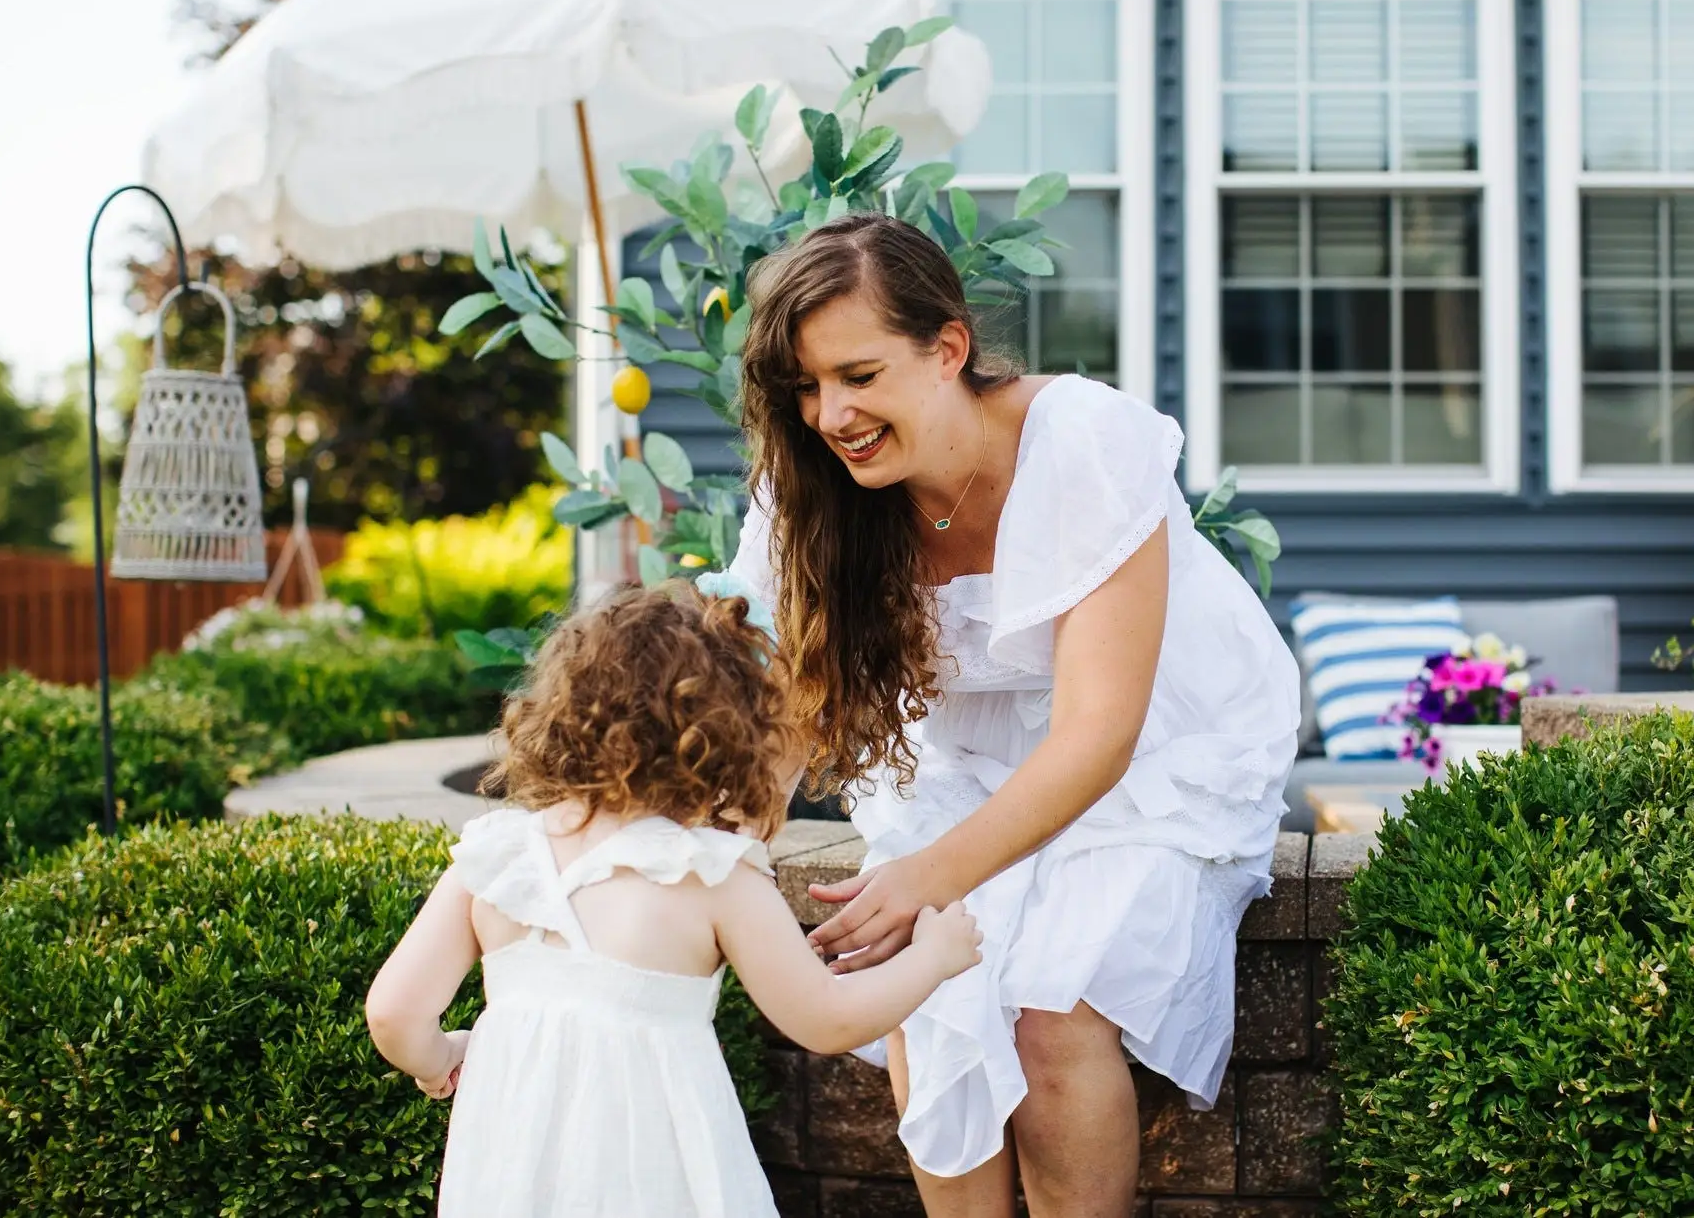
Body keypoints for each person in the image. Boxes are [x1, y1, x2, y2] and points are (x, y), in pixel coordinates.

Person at [728, 212, 1300, 1217]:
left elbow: (1098, 735)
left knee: (1048, 1011)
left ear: (948, 348)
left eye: (858, 375)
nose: (831, 415)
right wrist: (702, 851)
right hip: (964, 765)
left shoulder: (1079, 439)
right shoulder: (811, 485)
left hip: (1154, 756)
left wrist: (925, 877)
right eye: (806, 386)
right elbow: (782, 711)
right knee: (926, 986)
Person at [363, 582, 984, 1218]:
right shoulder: (712, 873)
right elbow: (827, 1019)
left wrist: (441, 1059)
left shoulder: (495, 855)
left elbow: (392, 1013)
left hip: (510, 1177)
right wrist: (933, 958)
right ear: (732, 737)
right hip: (656, 1173)